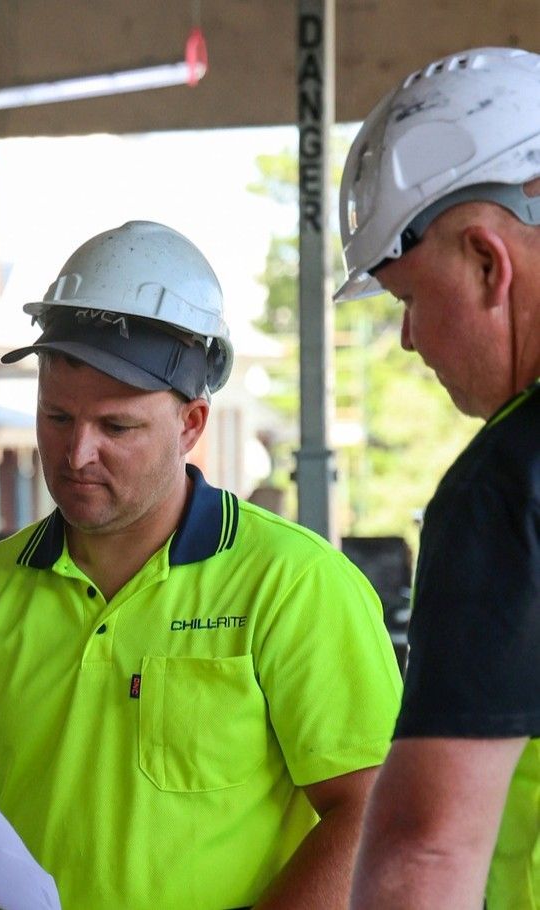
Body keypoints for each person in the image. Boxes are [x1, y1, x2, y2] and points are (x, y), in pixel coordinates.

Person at [0, 220, 403, 909]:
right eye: (54, 418)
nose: (76, 454)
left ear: (191, 424)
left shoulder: (292, 583)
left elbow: (373, 811)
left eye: (116, 427)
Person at [335, 47, 540, 910]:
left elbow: (425, 857)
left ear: (489, 264)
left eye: (407, 299)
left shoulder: (507, 486)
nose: (411, 341)